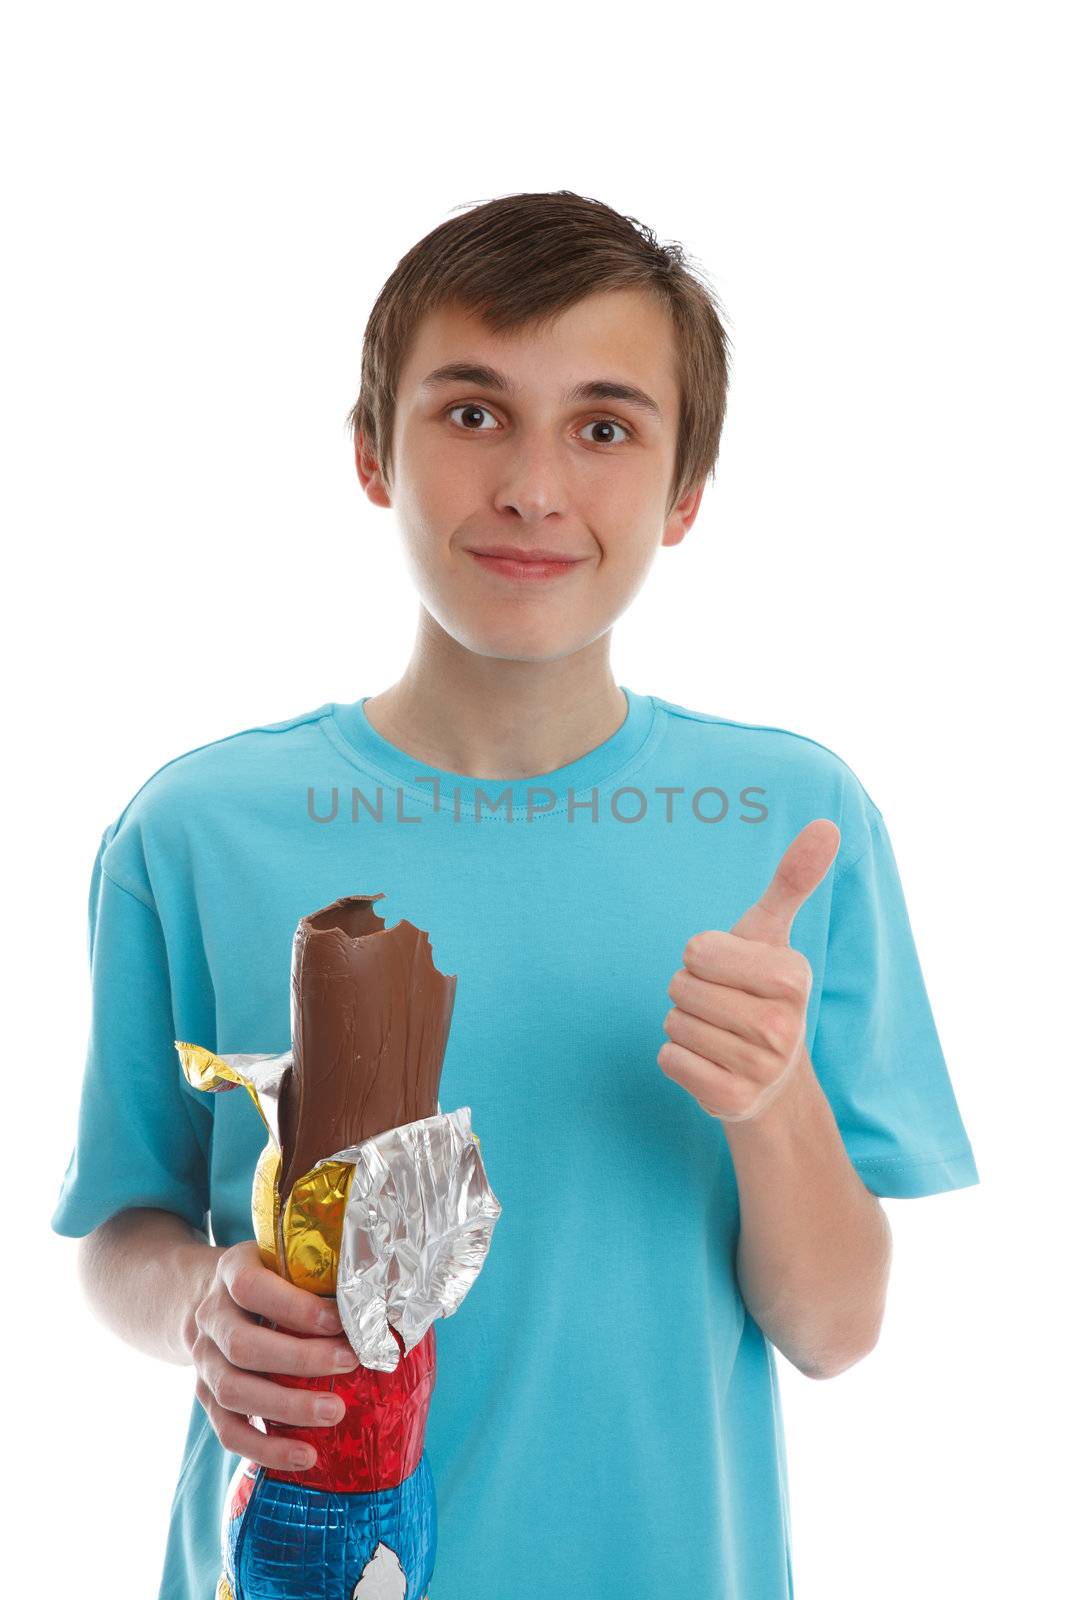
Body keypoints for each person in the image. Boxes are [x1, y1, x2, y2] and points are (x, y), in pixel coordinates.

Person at [51, 189, 980, 1600]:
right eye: (474, 413)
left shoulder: (792, 827)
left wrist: (773, 1095)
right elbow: (122, 1224)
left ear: (684, 492)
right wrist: (196, 1305)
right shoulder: (196, 831)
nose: (535, 487)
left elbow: (838, 1327)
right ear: (374, 452)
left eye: (604, 427)